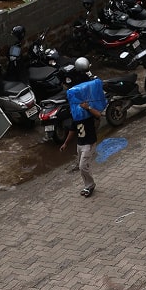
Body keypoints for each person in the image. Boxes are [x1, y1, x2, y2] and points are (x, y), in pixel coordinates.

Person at [62, 61, 106, 197]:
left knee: (82, 167)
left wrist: (88, 108)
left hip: (89, 143)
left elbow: (99, 115)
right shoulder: (77, 115)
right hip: (80, 144)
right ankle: (87, 185)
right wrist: (65, 143)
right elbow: (72, 130)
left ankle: (90, 186)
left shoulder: (87, 113)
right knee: (83, 167)